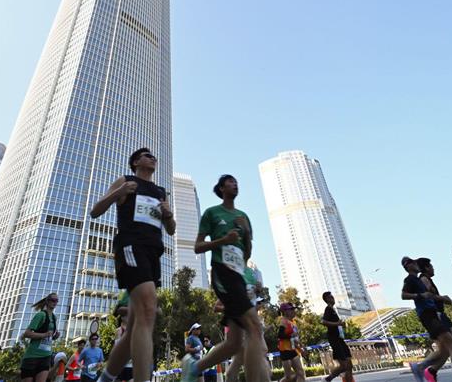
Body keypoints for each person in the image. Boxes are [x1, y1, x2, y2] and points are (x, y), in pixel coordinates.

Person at [90, 148, 175, 382]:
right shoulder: (126, 181)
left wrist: (168, 215)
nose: (153, 158)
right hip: (130, 246)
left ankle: (105, 379)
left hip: (153, 253)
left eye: (154, 156)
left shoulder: (160, 191)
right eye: (147, 155)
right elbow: (95, 211)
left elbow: (172, 229)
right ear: (136, 162)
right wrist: (118, 192)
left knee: (135, 328)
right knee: (149, 310)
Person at [181, 175, 269, 382]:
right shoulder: (212, 213)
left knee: (235, 343)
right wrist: (223, 240)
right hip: (222, 273)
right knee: (255, 328)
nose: (235, 184)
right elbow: (198, 246)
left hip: (238, 275)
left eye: (237, 181)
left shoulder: (243, 217)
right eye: (230, 182)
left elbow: (246, 255)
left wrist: (246, 234)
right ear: (221, 188)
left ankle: (194, 368)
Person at [401, 256, 452, 382]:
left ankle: (422, 368)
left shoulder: (418, 280)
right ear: (408, 266)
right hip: (427, 315)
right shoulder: (410, 279)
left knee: (445, 350)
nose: (416, 265)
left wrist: (442, 298)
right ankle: (421, 368)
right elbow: (403, 295)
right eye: (413, 263)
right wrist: (420, 295)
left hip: (432, 314)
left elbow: (429, 296)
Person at [20, 293, 61, 382]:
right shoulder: (41, 315)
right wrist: (44, 335)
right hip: (32, 356)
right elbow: (27, 333)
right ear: (47, 301)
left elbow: (49, 337)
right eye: (53, 300)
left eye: (56, 301)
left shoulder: (54, 318)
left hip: (46, 356)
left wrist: (55, 336)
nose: (55, 302)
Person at [321, 292, 352, 382]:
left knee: (349, 365)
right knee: (344, 366)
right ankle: (327, 379)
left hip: (340, 339)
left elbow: (336, 324)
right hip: (334, 339)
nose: (333, 298)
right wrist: (337, 323)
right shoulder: (328, 309)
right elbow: (323, 321)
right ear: (327, 299)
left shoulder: (333, 310)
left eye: (333, 296)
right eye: (331, 297)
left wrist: (341, 324)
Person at [278, 303, 306, 382]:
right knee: (289, 377)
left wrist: (301, 348)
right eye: (291, 309)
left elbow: (294, 339)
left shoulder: (293, 322)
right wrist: (290, 336)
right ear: (285, 311)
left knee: (300, 373)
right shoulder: (284, 321)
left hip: (293, 349)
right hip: (285, 351)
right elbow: (280, 335)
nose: (294, 311)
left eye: (294, 309)